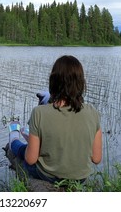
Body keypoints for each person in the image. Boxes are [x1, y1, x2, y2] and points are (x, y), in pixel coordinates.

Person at [8, 55, 102, 184]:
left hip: (49, 176)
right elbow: (96, 158)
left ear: (53, 81)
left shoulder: (39, 112)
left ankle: (13, 135)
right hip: (81, 179)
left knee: (19, 147)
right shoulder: (93, 112)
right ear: (80, 83)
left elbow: (31, 160)